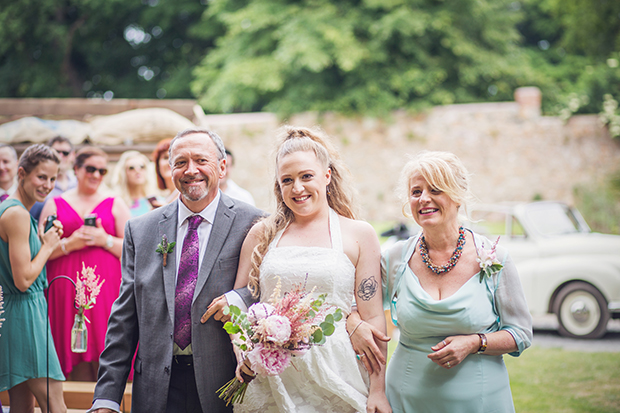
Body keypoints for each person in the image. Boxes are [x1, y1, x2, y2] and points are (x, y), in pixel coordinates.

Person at [213, 126, 391, 413]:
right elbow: (241, 306)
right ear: (278, 185)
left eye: (306, 176)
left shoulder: (360, 234)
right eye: (287, 180)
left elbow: (373, 321)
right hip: (272, 377)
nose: (297, 188)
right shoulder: (262, 235)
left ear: (327, 176)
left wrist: (378, 390)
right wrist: (245, 355)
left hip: (337, 372)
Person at [88, 129, 264, 413]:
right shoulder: (141, 230)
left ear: (221, 167)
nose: (191, 170)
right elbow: (124, 317)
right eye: (180, 162)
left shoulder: (254, 223)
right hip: (156, 388)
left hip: (226, 384)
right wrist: (107, 398)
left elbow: (264, 292)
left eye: (201, 160)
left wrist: (238, 298)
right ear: (169, 170)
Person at [348, 151, 532, 412]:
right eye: (416, 192)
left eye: (435, 189)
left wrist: (474, 343)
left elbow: (521, 334)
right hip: (405, 398)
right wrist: (355, 324)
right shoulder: (395, 258)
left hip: (480, 400)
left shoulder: (494, 259)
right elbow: (355, 306)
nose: (424, 199)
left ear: (457, 195)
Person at [40, 146, 131, 382]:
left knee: (104, 344)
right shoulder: (55, 204)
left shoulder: (115, 203)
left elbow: (134, 250)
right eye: (91, 169)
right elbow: (40, 251)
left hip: (105, 290)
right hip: (64, 288)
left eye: (102, 170)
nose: (96, 175)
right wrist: (69, 244)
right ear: (77, 169)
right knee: (69, 347)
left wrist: (105, 240)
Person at [0, 144, 67, 413]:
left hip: (18, 312)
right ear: (21, 173)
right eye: (41, 177)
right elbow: (23, 280)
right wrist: (49, 246)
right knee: (56, 404)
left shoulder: (17, 212)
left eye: (53, 179)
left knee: (22, 406)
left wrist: (40, 241)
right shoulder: (16, 214)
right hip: (26, 314)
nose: (48, 185)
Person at [30, 135, 78, 221]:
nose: (60, 156)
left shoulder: (78, 182)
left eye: (65, 153)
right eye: (56, 152)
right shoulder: (39, 184)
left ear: (72, 155)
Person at [109, 150, 161, 217]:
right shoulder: (116, 203)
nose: (137, 171)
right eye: (131, 168)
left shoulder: (158, 202)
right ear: (123, 173)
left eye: (142, 167)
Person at [151, 137, 179, 206]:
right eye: (165, 158)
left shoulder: (187, 197)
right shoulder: (164, 199)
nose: (169, 162)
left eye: (173, 158)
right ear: (158, 165)